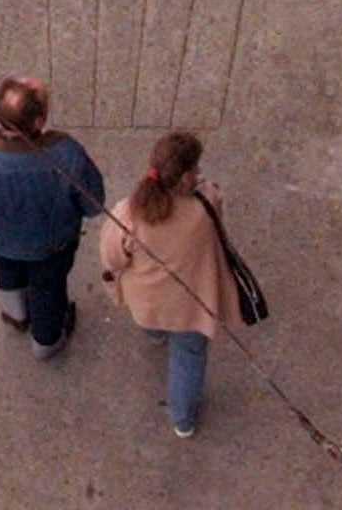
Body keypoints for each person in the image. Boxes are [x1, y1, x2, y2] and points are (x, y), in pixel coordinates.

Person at [0, 76, 105, 359]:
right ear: (39, 121)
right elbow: (94, 205)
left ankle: (16, 315)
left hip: (2, 244)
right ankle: (45, 341)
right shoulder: (67, 154)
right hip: (52, 250)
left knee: (7, 278)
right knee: (48, 292)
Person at [99, 129, 243, 439]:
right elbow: (216, 200)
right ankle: (182, 419)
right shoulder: (206, 203)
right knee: (188, 359)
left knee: (155, 327)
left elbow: (112, 258)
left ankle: (154, 336)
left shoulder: (129, 213)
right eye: (196, 168)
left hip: (148, 303)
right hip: (192, 306)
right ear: (186, 177)